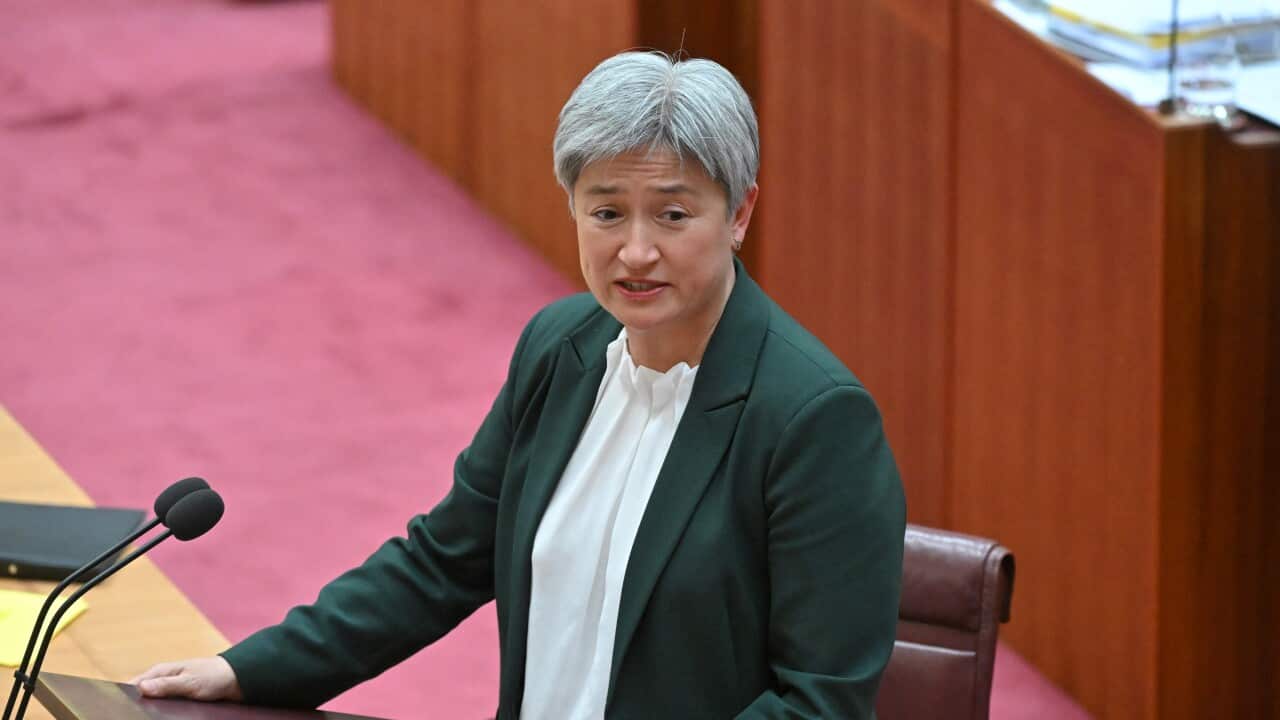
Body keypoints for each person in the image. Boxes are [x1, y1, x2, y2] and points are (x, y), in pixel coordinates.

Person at [132, 51, 906, 719]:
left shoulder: (812, 420)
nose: (635, 251)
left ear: (739, 213)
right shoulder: (559, 349)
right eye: (606, 212)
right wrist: (252, 669)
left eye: (672, 215)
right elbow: (444, 560)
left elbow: (819, 702)